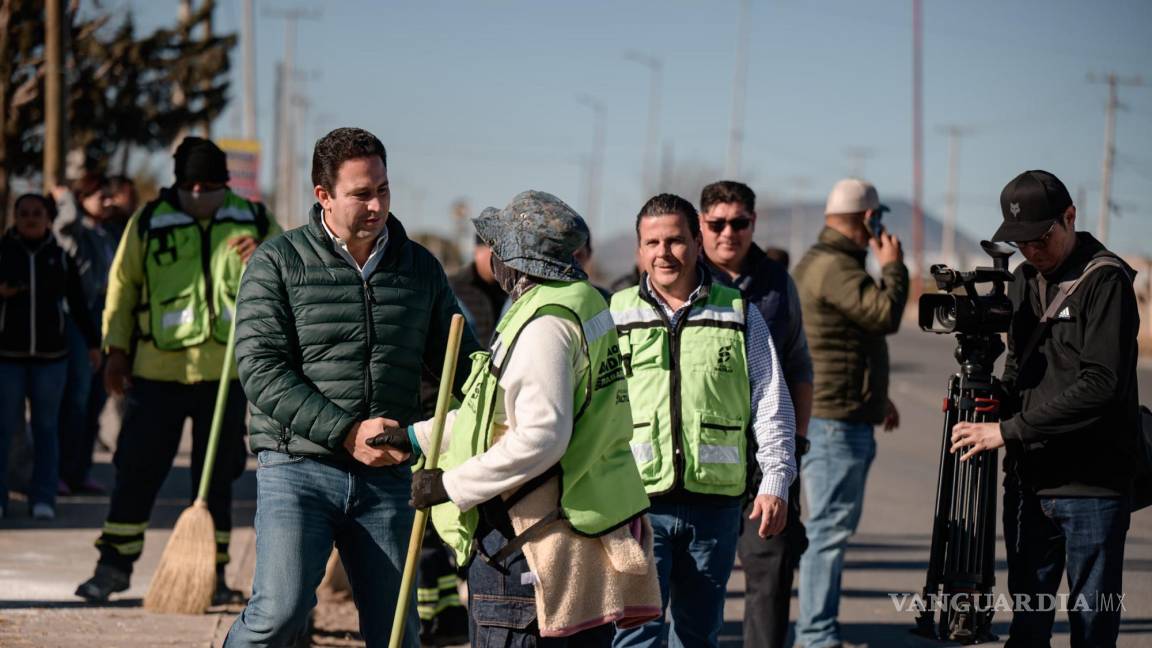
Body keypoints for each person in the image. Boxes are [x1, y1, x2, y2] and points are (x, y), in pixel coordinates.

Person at [223, 127, 479, 647]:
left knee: (397, 631)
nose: (377, 204)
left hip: (387, 476)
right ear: (324, 196)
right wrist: (344, 431)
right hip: (298, 468)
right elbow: (261, 369)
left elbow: (462, 363)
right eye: (362, 193)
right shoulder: (278, 263)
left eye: (383, 189)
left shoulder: (420, 268)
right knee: (279, 611)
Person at [389, 190, 659, 646]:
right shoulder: (580, 303)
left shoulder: (544, 325)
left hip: (526, 541)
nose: (492, 258)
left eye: (499, 248)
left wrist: (451, 486)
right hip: (572, 531)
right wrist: (416, 437)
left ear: (519, 260)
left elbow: (539, 436)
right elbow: (493, 415)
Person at [75, 136, 280, 603]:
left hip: (226, 374)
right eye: (193, 185)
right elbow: (123, 288)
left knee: (219, 477)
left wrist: (267, 250)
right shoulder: (149, 220)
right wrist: (116, 351)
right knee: (137, 471)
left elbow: (296, 262)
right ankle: (113, 567)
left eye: (210, 186)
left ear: (225, 184)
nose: (201, 193)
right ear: (179, 184)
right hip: (157, 373)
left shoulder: (251, 218)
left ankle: (214, 575)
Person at [950, 170, 1139, 647]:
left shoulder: (1105, 280)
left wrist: (1009, 431)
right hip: (1030, 481)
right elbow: (1019, 364)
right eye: (1020, 242)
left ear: (1069, 217)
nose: (1031, 250)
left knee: (1091, 629)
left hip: (1092, 487)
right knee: (1028, 626)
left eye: (1039, 237)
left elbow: (1102, 383)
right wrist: (989, 402)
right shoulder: (1021, 280)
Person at [610, 193, 797, 648]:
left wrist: (776, 479)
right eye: (652, 242)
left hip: (714, 509)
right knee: (635, 636)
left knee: (698, 636)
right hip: (635, 507)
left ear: (697, 243)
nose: (663, 252)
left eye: (675, 240)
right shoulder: (612, 315)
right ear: (639, 250)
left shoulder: (739, 312)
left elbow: (771, 400)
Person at [698, 180, 813, 648]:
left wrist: (794, 448)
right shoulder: (683, 272)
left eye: (739, 222)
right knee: (695, 577)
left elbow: (799, 365)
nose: (729, 233)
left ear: (753, 223)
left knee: (770, 566)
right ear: (701, 225)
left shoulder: (776, 281)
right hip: (699, 459)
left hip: (764, 457)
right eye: (717, 223)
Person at [792, 178, 907, 648]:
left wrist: (879, 398)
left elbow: (844, 343)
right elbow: (883, 315)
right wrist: (894, 269)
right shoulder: (836, 267)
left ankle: (816, 631)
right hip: (835, 422)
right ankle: (816, 635)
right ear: (868, 219)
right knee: (829, 533)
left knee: (827, 531)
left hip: (838, 411)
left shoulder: (826, 262)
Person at [415, 234, 504, 646]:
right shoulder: (454, 290)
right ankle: (434, 611)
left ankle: (448, 607)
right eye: (493, 252)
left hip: (490, 417)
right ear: (477, 250)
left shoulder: (514, 294)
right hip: (441, 415)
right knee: (431, 519)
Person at [0, 193, 99, 520]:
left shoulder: (58, 256)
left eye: (37, 213)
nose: (30, 218)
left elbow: (79, 305)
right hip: (8, 356)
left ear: (47, 218)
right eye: (24, 213)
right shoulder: (4, 252)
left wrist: (93, 344)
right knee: (5, 429)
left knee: (46, 428)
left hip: (51, 357)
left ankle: (43, 497)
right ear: (15, 216)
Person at [52, 174, 121, 495]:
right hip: (79, 319)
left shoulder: (106, 234)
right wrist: (65, 198)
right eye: (99, 196)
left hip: (105, 318)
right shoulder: (73, 231)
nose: (107, 202)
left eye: (109, 196)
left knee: (96, 399)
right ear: (82, 199)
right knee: (76, 400)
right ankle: (61, 473)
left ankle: (81, 471)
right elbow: (63, 223)